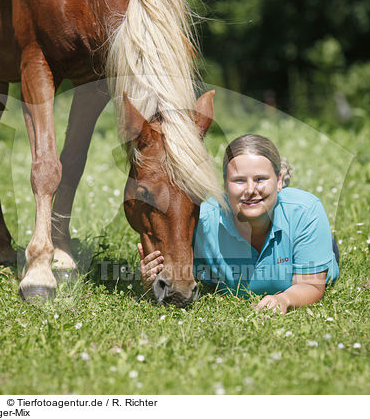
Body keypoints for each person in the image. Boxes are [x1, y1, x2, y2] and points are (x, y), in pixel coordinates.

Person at [138, 134, 339, 314]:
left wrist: (284, 299)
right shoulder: (203, 222)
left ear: (279, 180)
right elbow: (176, 272)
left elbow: (311, 286)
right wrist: (153, 280)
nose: (250, 190)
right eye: (239, 180)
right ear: (225, 185)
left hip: (307, 244)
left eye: (260, 179)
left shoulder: (306, 211)